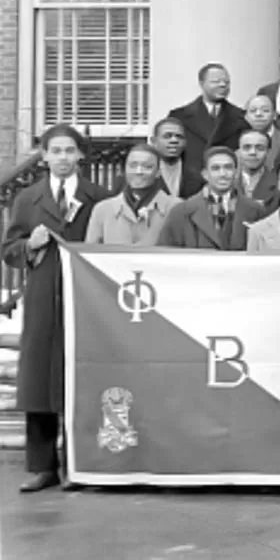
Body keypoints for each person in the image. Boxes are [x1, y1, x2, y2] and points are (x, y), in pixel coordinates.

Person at [4, 125, 106, 492]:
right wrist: (28, 245)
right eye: (56, 151)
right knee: (41, 376)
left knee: (81, 376)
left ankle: (83, 462)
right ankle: (42, 464)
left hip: (86, 297)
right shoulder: (28, 198)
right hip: (44, 293)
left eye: (70, 150)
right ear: (44, 156)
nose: (63, 157)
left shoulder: (99, 197)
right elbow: (9, 248)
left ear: (80, 155)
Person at [156, 147, 265, 250]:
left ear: (236, 172)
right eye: (215, 168)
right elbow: (166, 254)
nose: (223, 174)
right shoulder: (181, 211)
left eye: (228, 168)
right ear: (205, 174)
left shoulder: (255, 210)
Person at [86, 144, 177, 247]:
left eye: (147, 167)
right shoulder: (103, 210)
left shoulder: (176, 208)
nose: (139, 172)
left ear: (158, 173)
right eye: (133, 166)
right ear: (124, 170)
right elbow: (90, 254)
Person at [168, 63, 250, 173]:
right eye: (216, 82)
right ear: (201, 83)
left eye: (226, 82)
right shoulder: (179, 116)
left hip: (225, 179)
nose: (222, 85)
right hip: (189, 183)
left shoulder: (241, 117)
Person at [150, 118, 202, 199]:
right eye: (167, 136)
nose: (174, 140)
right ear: (154, 141)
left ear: (185, 142)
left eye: (179, 136)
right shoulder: (144, 174)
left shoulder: (199, 177)